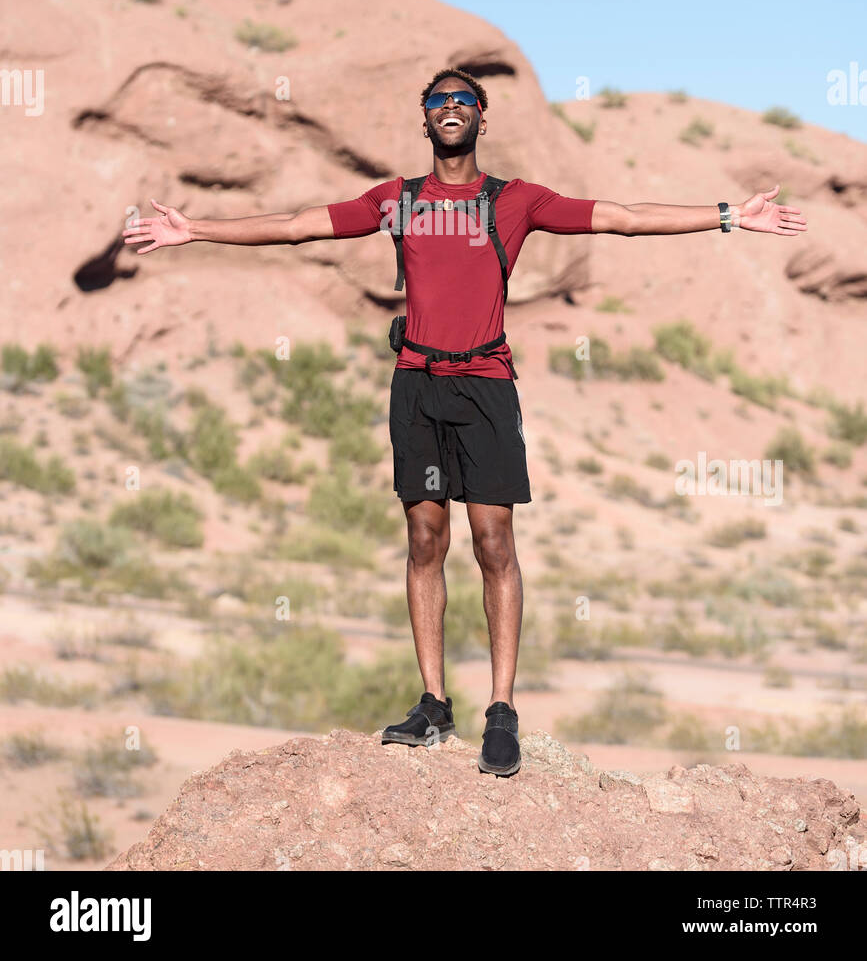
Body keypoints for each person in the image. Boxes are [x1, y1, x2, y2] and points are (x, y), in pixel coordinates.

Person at [123, 66, 807, 776]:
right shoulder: (396, 199)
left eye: (462, 101)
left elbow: (623, 217)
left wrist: (729, 215)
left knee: (493, 541)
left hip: (485, 386)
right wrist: (194, 229)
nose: (450, 109)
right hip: (416, 385)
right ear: (424, 121)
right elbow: (299, 227)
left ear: (483, 117)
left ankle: (502, 710)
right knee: (424, 535)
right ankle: (431, 704)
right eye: (437, 102)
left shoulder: (514, 201)